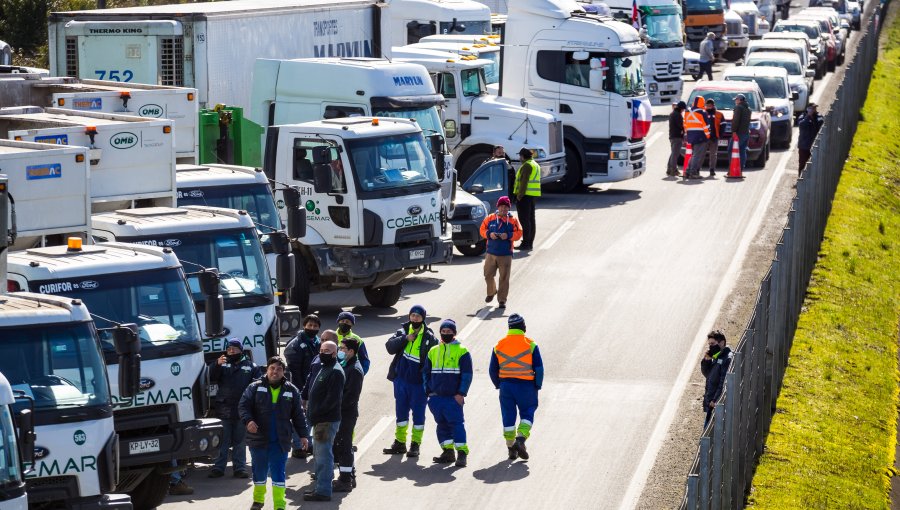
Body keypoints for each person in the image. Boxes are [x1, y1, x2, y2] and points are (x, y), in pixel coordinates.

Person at [238, 356, 309, 510]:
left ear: (283, 372)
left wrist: (303, 435)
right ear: (267, 369)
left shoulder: (291, 390)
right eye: (272, 368)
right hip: (258, 439)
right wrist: (248, 420)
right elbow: (243, 406)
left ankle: (279, 504)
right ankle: (258, 500)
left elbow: (298, 415)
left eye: (279, 369)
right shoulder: (254, 387)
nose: (275, 371)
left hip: (280, 441)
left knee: (278, 473)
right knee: (259, 472)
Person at [383, 305, 439, 457]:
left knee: (418, 414)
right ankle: (400, 443)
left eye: (418, 316)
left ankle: (415, 444)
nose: (414, 318)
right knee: (401, 412)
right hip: (401, 381)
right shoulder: (402, 331)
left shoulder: (430, 338)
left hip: (418, 384)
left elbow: (434, 362)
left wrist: (430, 384)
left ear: (423, 318)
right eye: (412, 315)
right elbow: (389, 347)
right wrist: (405, 339)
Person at [489, 314, 544, 461]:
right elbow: (539, 368)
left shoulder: (499, 345)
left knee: (508, 417)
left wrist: (498, 384)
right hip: (526, 386)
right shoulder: (530, 344)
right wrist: (537, 385)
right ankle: (520, 439)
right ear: (523, 327)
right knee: (527, 413)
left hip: (506, 386)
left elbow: (492, 369)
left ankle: (511, 448)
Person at [209, 338, 261, 478]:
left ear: (241, 350)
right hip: (223, 408)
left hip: (242, 410)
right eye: (229, 349)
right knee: (222, 440)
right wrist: (216, 365)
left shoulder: (251, 366)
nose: (231, 351)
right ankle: (218, 468)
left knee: (239, 440)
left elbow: (258, 385)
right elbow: (210, 377)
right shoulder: (222, 364)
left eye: (234, 348)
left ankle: (240, 468)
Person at [424, 320, 473, 467]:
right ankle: (448, 452)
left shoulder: (462, 351)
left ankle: (462, 454)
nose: (446, 334)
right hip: (436, 398)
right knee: (442, 425)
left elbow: (467, 375)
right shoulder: (433, 351)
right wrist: (429, 392)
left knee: (456, 425)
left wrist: (461, 394)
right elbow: (426, 373)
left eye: (449, 332)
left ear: (454, 333)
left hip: (453, 398)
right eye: (443, 332)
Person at [303, 340, 345, 502]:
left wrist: (316, 414)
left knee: (323, 456)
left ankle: (323, 491)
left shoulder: (335, 371)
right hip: (320, 420)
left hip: (325, 421)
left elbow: (332, 400)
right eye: (321, 350)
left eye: (327, 350)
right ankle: (320, 487)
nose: (322, 353)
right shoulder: (325, 367)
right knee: (319, 454)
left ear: (334, 354)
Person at [283, 314, 321, 458]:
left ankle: (307, 443)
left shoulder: (317, 342)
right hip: (301, 387)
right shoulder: (295, 344)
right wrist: (301, 390)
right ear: (304, 326)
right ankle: (298, 446)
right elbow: (294, 371)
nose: (312, 328)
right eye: (309, 325)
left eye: (315, 326)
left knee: (310, 417)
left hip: (315, 386)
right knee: (300, 417)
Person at [333, 337, 365, 492]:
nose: (340, 350)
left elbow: (350, 397)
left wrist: (333, 407)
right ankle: (349, 475)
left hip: (345, 414)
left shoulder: (355, 370)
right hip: (341, 413)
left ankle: (345, 480)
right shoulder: (346, 364)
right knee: (340, 445)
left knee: (344, 446)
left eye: (343, 348)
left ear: (351, 351)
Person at [479, 196, 523, 309]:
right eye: (501, 206)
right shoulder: (490, 218)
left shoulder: (513, 220)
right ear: (497, 207)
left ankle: (502, 300)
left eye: (506, 207)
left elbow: (519, 233)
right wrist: (489, 234)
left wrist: (508, 236)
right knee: (488, 274)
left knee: (504, 278)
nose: (503, 209)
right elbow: (482, 230)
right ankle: (491, 291)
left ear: (508, 208)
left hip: (506, 254)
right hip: (491, 253)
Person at [700, 330, 732, 427]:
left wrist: (715, 399)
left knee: (711, 432)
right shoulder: (716, 355)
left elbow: (723, 381)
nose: (710, 346)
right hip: (711, 401)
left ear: (722, 342)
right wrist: (706, 361)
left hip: (717, 403)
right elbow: (708, 374)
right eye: (709, 344)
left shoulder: (727, 358)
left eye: (713, 343)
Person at [513, 147, 540, 251]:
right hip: (532, 195)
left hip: (525, 196)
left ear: (523, 156)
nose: (519, 158)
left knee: (525, 221)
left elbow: (524, 183)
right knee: (530, 220)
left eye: (520, 156)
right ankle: (529, 243)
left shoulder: (527, 165)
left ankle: (526, 244)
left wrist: (519, 196)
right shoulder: (535, 164)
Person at [684, 96, 711, 179]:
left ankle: (688, 171)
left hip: (691, 136)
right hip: (700, 136)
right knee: (697, 155)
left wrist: (688, 134)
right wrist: (708, 136)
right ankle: (693, 172)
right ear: (702, 103)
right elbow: (706, 126)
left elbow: (685, 124)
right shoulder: (702, 113)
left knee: (694, 155)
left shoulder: (687, 111)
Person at [797, 103, 824, 175]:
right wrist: (808, 116)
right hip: (804, 146)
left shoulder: (819, 117)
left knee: (814, 164)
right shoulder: (802, 117)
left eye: (815, 108)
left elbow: (821, 124)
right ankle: (800, 180)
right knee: (802, 164)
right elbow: (801, 124)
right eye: (812, 108)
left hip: (815, 145)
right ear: (808, 109)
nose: (814, 110)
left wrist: (813, 119)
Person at [704, 99, 725, 177]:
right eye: (707, 105)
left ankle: (712, 170)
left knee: (713, 155)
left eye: (710, 105)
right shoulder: (703, 113)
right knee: (701, 154)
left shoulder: (719, 114)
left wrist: (720, 135)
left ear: (713, 105)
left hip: (714, 138)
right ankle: (697, 169)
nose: (708, 107)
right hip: (704, 138)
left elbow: (723, 124)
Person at [732, 94, 752, 171]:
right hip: (746, 132)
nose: (735, 101)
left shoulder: (738, 108)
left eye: (736, 99)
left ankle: (733, 169)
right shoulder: (748, 109)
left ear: (740, 100)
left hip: (739, 133)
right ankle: (741, 168)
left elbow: (735, 121)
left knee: (731, 149)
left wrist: (734, 131)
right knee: (742, 150)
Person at [668, 101, 687, 176]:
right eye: (683, 109)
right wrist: (684, 129)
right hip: (677, 137)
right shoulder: (677, 115)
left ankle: (669, 169)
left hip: (673, 136)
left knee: (673, 153)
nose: (683, 111)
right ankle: (673, 170)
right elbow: (680, 125)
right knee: (675, 154)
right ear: (681, 108)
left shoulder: (673, 113)